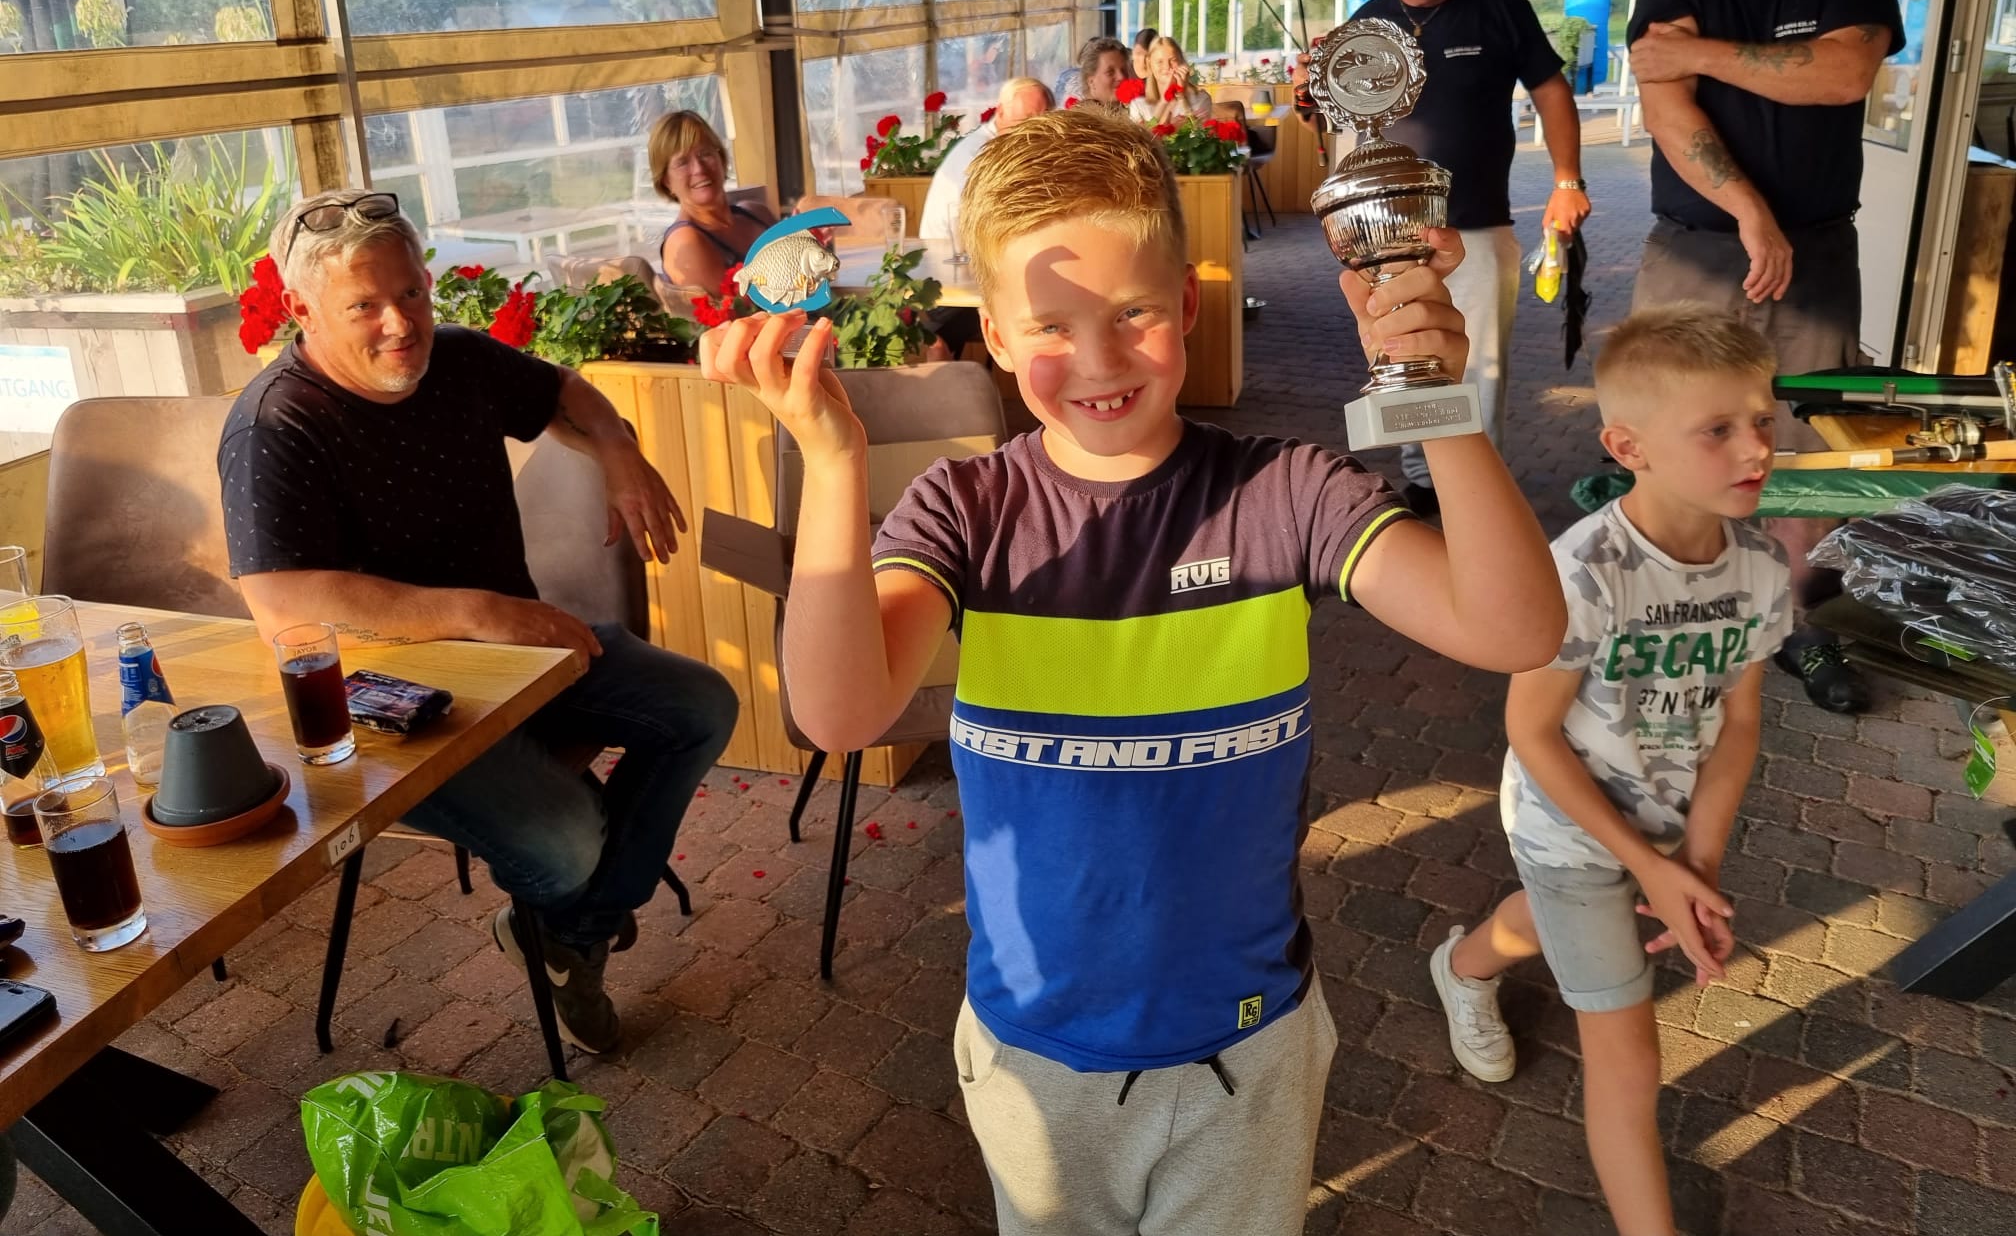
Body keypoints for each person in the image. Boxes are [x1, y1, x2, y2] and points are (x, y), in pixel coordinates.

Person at [699, 106, 1566, 1236]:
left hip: (1248, 1047)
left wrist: (1432, 396)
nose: (1099, 361)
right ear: (994, 337)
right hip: (1031, 1054)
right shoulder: (965, 510)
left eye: (1134, 314)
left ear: (1190, 305)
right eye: (1049, 326)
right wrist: (829, 458)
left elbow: (1513, 629)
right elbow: (838, 710)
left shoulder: (1284, 493)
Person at [218, 188, 738, 1054]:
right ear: (301, 309)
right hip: (388, 708)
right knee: (566, 842)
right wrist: (476, 611)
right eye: (364, 306)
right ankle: (580, 908)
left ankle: (567, 931)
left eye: (411, 294)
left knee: (702, 705)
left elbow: (563, 389)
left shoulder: (457, 359)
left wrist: (616, 448)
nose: (401, 324)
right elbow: (283, 597)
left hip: (519, 658)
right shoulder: (277, 422)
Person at [1429, 306, 1789, 1236]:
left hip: (1666, 827)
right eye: (1718, 429)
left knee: (1551, 922)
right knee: (1628, 1057)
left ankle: (1462, 966)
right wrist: (1650, 866)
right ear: (1629, 447)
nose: (1757, 447)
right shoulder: (1587, 571)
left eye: (1763, 418)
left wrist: (1695, 860)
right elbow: (1532, 731)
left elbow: (1740, 720)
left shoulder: (1760, 567)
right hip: (1567, 823)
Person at [1625, 0, 1902, 714]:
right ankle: (1671, 617)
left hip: (1816, 256)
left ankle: (1801, 630)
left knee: (1808, 451)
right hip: (1694, 251)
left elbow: (1843, 72)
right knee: (1670, 437)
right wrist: (1750, 211)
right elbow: (1667, 110)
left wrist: (1702, 52)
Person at [1350, 0, 1593, 517]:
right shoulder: (1367, 24)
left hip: (1478, 224)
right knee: (1407, 352)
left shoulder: (1499, 6)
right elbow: (1340, 117)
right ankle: (1423, 479)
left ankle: (1482, 488)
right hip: (1390, 233)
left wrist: (1567, 180)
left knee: (1480, 365)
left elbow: (1551, 92)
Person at [650, 110, 896, 296]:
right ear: (666, 181)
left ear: (721, 158)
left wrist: (812, 244)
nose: (699, 169)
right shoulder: (686, 242)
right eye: (682, 162)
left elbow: (808, 279)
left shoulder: (754, 212)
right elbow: (740, 316)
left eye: (705, 153)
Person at [918, 77, 1053, 243]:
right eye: (1026, 121)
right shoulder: (979, 152)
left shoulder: (1016, 145)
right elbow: (996, 217)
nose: (1035, 130)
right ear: (1001, 112)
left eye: (1044, 122)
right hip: (950, 249)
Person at [1128, 36, 1213, 126]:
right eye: (1160, 62)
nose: (1167, 66)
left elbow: (1198, 131)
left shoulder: (1201, 99)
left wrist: (1181, 97)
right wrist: (1164, 101)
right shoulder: (1138, 105)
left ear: (1181, 62)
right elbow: (1144, 134)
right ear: (1150, 64)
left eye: (1173, 60)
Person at [1068, 34, 1131, 114]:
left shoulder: (1134, 111)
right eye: (1110, 72)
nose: (1121, 77)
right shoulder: (1080, 119)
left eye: (1124, 70)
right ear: (1091, 82)